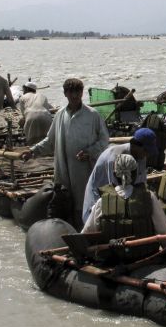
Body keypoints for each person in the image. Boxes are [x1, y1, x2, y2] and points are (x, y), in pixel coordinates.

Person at [23, 78, 110, 227]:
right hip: (63, 170)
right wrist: (32, 151)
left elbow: (104, 141)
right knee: (64, 202)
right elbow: (50, 142)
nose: (75, 96)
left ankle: (85, 233)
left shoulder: (92, 115)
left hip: (85, 170)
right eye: (71, 92)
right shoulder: (59, 115)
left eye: (78, 92)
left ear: (82, 93)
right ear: (65, 94)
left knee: (85, 204)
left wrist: (90, 152)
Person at [81, 154, 166, 260]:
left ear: (114, 174)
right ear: (135, 174)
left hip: (113, 260)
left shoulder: (102, 201)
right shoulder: (149, 197)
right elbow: (164, 230)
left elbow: (87, 233)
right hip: (146, 257)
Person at [81, 127, 158, 223]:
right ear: (135, 145)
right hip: (99, 197)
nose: (147, 154)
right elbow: (115, 191)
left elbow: (141, 184)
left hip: (116, 195)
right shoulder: (114, 158)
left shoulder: (141, 156)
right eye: (146, 151)